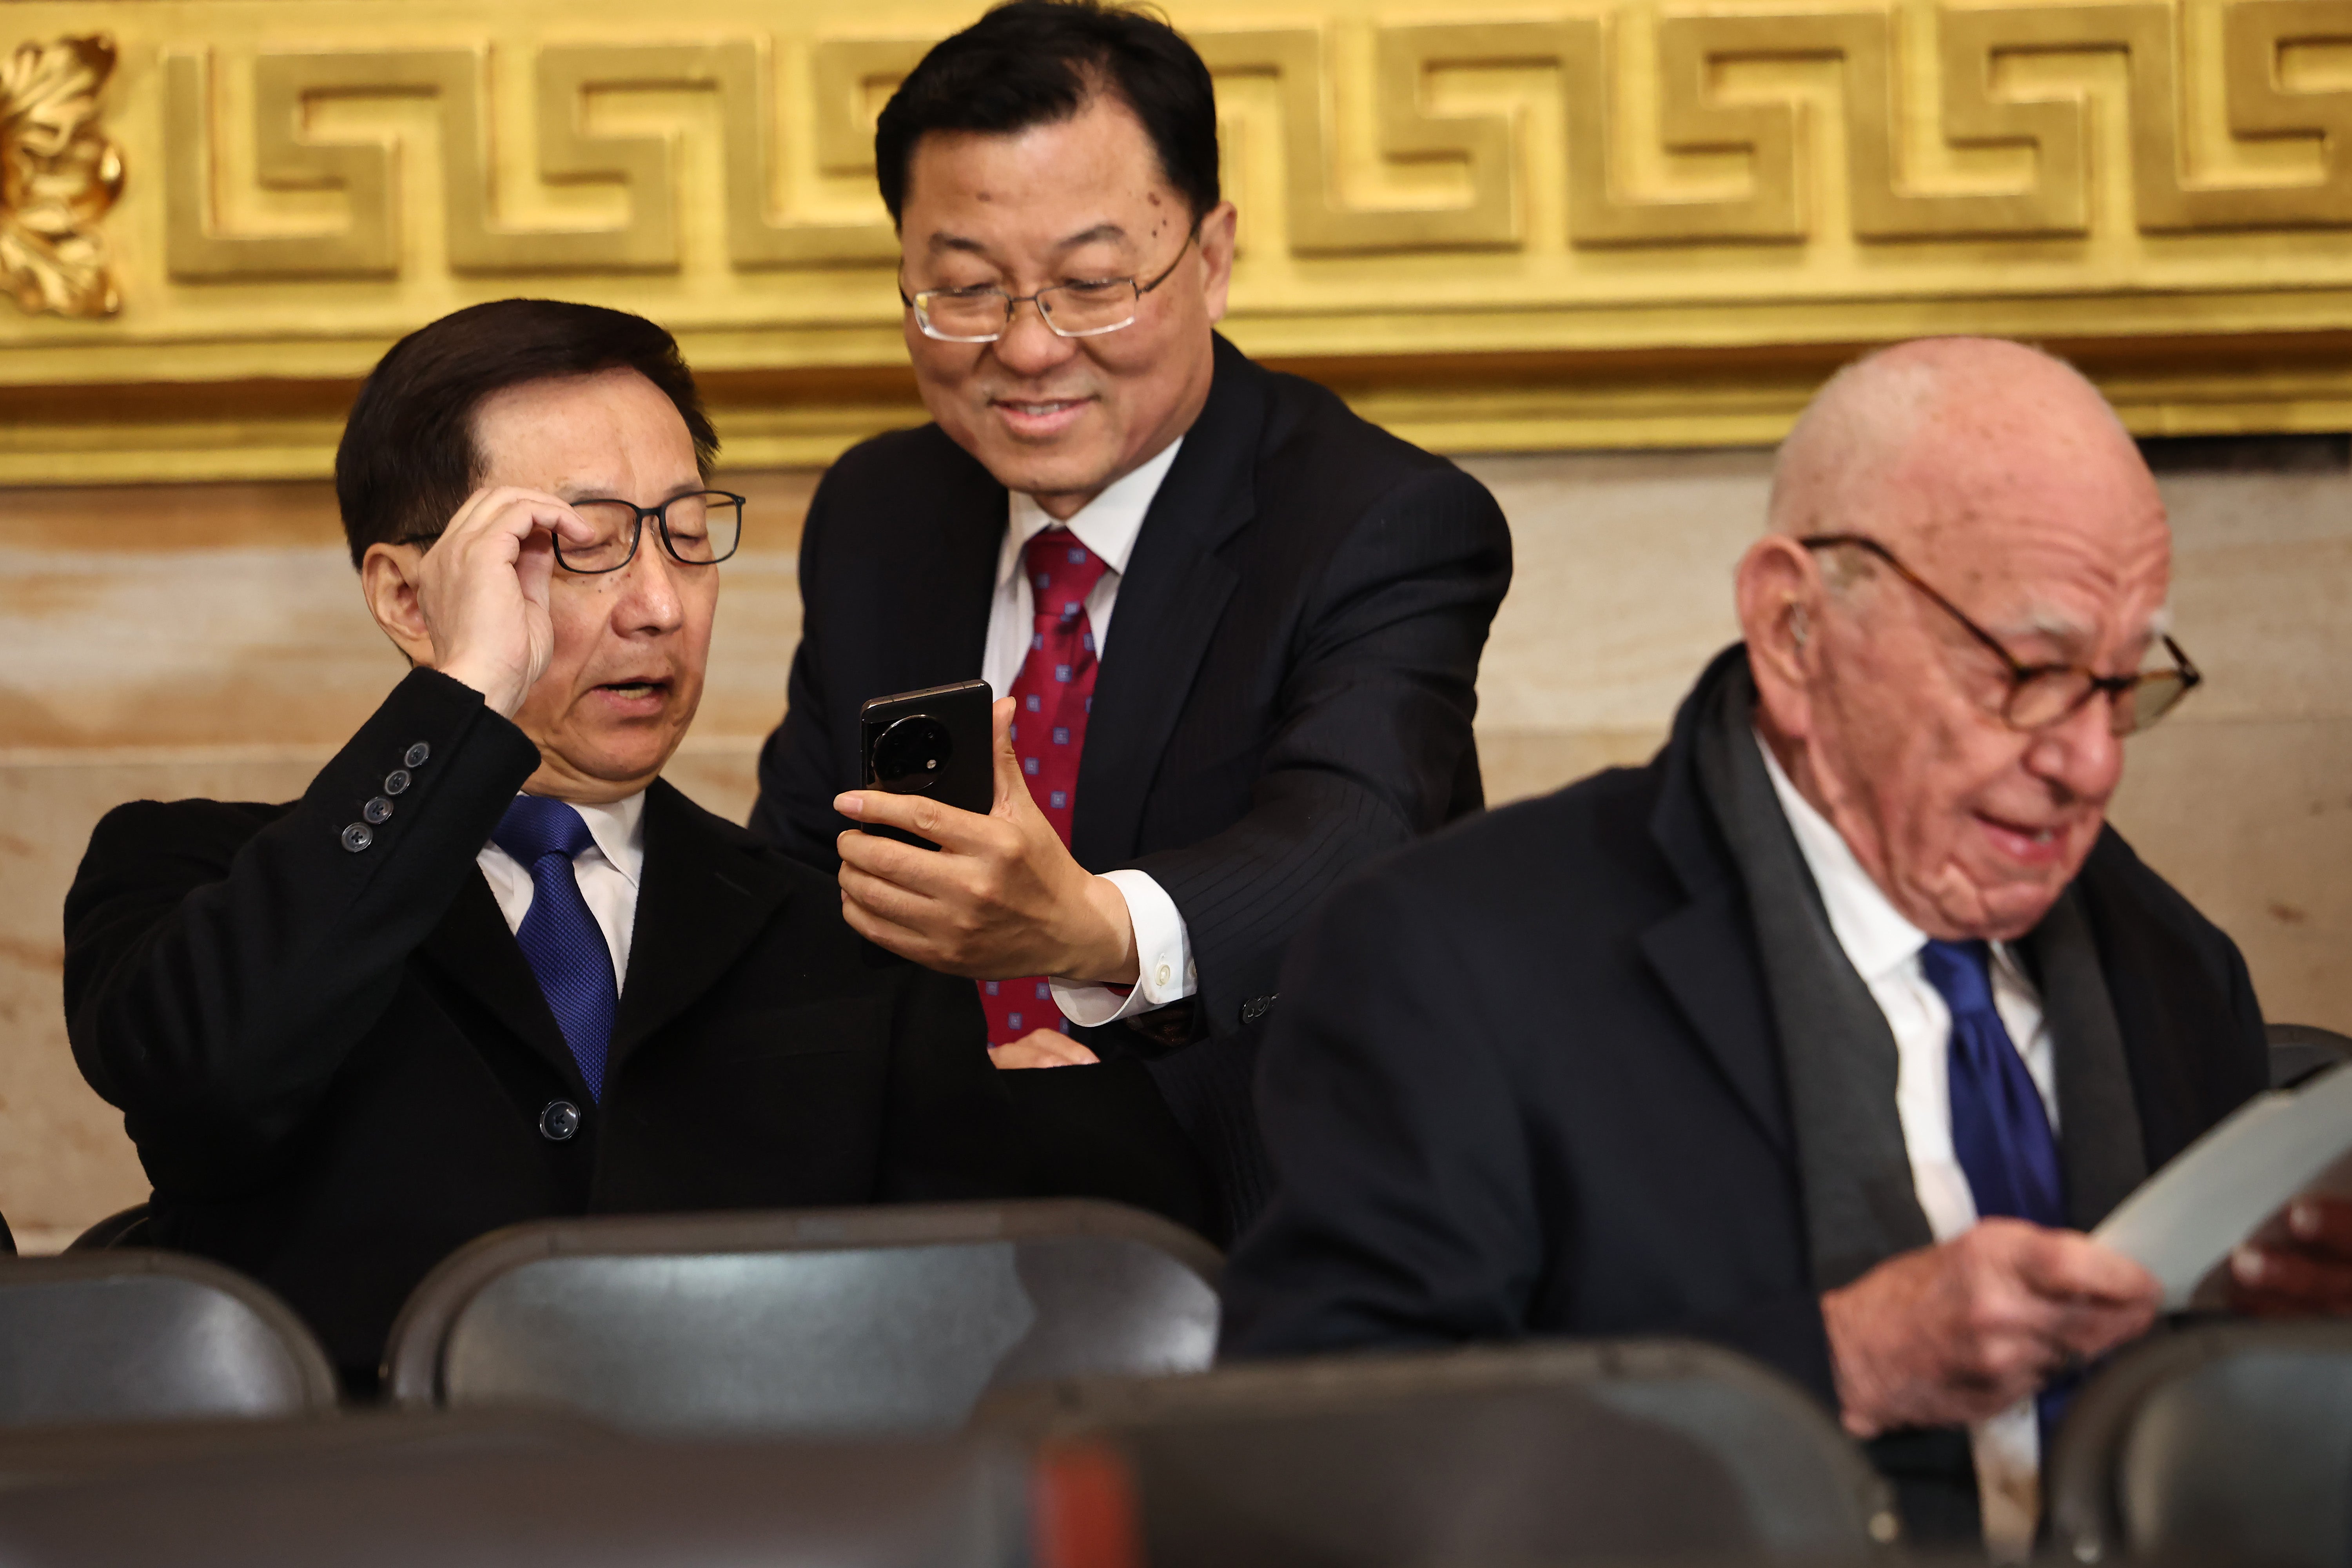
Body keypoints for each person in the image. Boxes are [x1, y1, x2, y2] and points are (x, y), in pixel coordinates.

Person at [1220, 338, 2352, 1543]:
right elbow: (1322, 1475)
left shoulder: (2173, 970)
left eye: (2124, 688)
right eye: (2028, 672)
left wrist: (2289, 1361)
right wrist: (1838, 1365)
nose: (2090, 763)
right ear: (1795, 630)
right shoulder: (1447, 964)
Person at [63, 299, 1200, 1392]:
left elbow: (1011, 1323)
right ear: (410, 599)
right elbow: (209, 1072)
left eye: (689, 536)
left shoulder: (842, 928)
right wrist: (465, 697)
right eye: (584, 546)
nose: (660, 604)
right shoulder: (187, 876)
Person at [750, 0, 1512, 1241]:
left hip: (1277, 1222)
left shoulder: (1381, 519)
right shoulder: (881, 511)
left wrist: (1088, 932)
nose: (1029, 349)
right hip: (923, 1235)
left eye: (1092, 285)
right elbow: (806, 880)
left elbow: (1347, 839)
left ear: (1210, 258)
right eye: (964, 290)